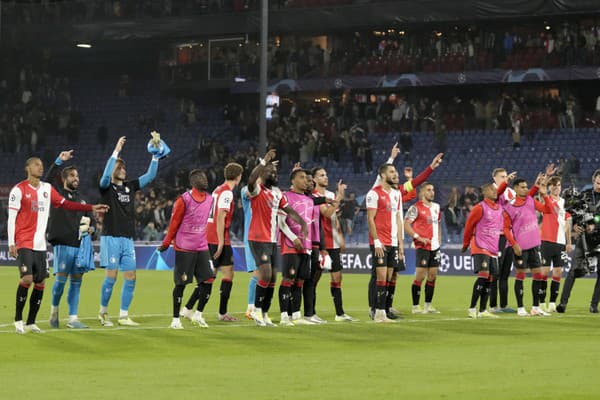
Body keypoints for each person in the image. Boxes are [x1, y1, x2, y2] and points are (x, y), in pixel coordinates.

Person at [8, 157, 108, 334]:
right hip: (24, 241)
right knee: (27, 279)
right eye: (36, 164)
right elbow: (12, 218)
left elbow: (67, 204)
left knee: (40, 283)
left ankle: (31, 322)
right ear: (27, 167)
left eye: (41, 164)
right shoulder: (18, 190)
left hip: (40, 245)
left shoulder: (47, 189)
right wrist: (11, 242)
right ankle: (18, 319)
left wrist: (91, 207)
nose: (40, 167)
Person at [367, 145, 444, 319]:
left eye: (396, 172)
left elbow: (416, 181)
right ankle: (375, 308)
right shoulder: (376, 191)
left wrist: (431, 167)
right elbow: (383, 175)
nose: (396, 174)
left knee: (393, 274)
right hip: (380, 240)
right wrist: (391, 158)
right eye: (392, 172)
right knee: (378, 274)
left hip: (395, 240)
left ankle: (386, 307)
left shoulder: (398, 192)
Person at [97, 136, 161, 327]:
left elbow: (150, 176)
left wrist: (155, 156)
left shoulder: (130, 186)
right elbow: (105, 176)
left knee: (131, 276)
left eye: (124, 168)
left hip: (127, 238)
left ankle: (124, 316)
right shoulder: (106, 187)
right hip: (111, 237)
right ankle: (103, 312)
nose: (123, 170)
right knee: (111, 276)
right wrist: (116, 152)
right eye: (120, 168)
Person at [247, 149, 308, 327]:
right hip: (258, 238)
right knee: (265, 274)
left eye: (275, 172)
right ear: (262, 175)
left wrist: (302, 223)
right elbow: (251, 180)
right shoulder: (257, 190)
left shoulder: (277, 193)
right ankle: (256, 310)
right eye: (269, 172)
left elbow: (289, 211)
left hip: (272, 240)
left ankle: (265, 313)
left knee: (272, 278)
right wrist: (264, 162)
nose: (273, 174)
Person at [180, 162, 244, 322]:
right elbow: (221, 215)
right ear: (239, 177)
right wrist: (221, 241)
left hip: (209, 235)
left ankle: (188, 309)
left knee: (215, 275)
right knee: (220, 275)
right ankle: (219, 313)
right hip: (218, 238)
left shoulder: (217, 189)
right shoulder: (227, 193)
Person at [159, 170, 214, 329]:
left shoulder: (210, 199)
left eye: (205, 177)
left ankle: (198, 315)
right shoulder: (184, 200)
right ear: (193, 182)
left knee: (208, 280)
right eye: (200, 178)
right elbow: (174, 223)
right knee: (181, 284)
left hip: (202, 246)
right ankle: (175, 319)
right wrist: (166, 242)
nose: (204, 179)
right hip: (185, 247)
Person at [46, 150, 95, 329]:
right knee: (60, 281)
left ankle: (73, 318)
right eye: (73, 176)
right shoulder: (57, 194)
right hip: (62, 244)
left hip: (79, 246)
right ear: (65, 179)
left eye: (78, 176)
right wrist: (59, 160)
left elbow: (92, 222)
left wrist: (92, 229)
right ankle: (54, 311)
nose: (77, 179)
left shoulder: (83, 201)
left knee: (76, 282)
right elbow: (47, 181)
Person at [501, 174, 551, 316]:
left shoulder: (530, 200)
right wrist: (514, 244)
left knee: (538, 275)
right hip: (520, 248)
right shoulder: (509, 207)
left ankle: (535, 307)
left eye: (526, 187)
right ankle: (521, 308)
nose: (525, 189)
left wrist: (545, 195)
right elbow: (505, 229)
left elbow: (547, 210)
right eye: (522, 187)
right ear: (515, 189)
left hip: (535, 245)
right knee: (520, 275)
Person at [311, 167, 356, 322]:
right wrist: (340, 196)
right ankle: (311, 313)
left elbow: (334, 218)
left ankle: (340, 313)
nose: (326, 177)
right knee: (314, 279)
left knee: (337, 277)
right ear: (314, 179)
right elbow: (327, 213)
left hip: (333, 243)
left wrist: (341, 237)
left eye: (326, 174)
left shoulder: (330, 195)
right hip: (319, 243)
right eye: (322, 175)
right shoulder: (313, 196)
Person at [277, 169, 316, 326]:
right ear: (293, 180)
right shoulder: (285, 197)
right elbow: (281, 222)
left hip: (305, 246)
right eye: (301, 177)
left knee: (299, 281)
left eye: (306, 178)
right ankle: (284, 316)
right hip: (290, 245)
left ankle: (296, 315)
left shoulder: (310, 200)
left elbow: (310, 225)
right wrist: (293, 238)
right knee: (288, 279)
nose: (305, 180)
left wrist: (310, 245)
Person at [557, 169, 600, 313]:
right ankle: (563, 304)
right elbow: (572, 213)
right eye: (598, 182)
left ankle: (594, 305)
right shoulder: (585, 195)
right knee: (573, 271)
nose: (599, 185)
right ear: (593, 181)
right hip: (584, 240)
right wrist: (575, 224)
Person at [462, 183, 503, 318]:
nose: (495, 191)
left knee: (491, 278)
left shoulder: (498, 208)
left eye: (495, 189)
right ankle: (472, 308)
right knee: (484, 274)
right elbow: (469, 225)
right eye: (491, 189)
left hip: (493, 247)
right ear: (485, 192)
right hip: (480, 245)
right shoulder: (479, 208)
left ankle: (483, 310)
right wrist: (466, 242)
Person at [404, 183, 442, 314]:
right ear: (422, 193)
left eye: (433, 190)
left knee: (432, 276)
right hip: (422, 246)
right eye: (429, 190)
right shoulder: (415, 208)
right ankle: (415, 307)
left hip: (435, 247)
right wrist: (417, 237)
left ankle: (428, 306)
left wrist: (439, 240)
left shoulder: (437, 207)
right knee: (420, 277)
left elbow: (438, 224)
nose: (432, 192)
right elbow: (406, 225)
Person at [539, 176, 572, 312]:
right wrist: (545, 179)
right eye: (553, 185)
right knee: (545, 272)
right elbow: (542, 193)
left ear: (560, 186)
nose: (556, 187)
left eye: (558, 185)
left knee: (558, 272)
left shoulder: (565, 203)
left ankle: (552, 303)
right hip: (547, 240)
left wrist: (569, 242)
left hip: (561, 242)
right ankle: (541, 303)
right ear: (550, 187)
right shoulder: (546, 200)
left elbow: (567, 224)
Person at [489, 168, 517, 313]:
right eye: (501, 177)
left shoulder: (512, 192)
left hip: (509, 236)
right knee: (495, 272)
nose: (504, 178)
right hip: (496, 236)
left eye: (505, 176)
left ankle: (504, 305)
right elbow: (497, 195)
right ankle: (493, 306)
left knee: (505, 272)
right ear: (494, 178)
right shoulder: (491, 190)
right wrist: (505, 183)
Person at [241, 184, 259, 319]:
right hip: (252, 238)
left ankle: (258, 307)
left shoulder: (270, 191)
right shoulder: (245, 190)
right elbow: (250, 193)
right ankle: (250, 308)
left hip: (267, 237)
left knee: (266, 275)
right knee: (258, 273)